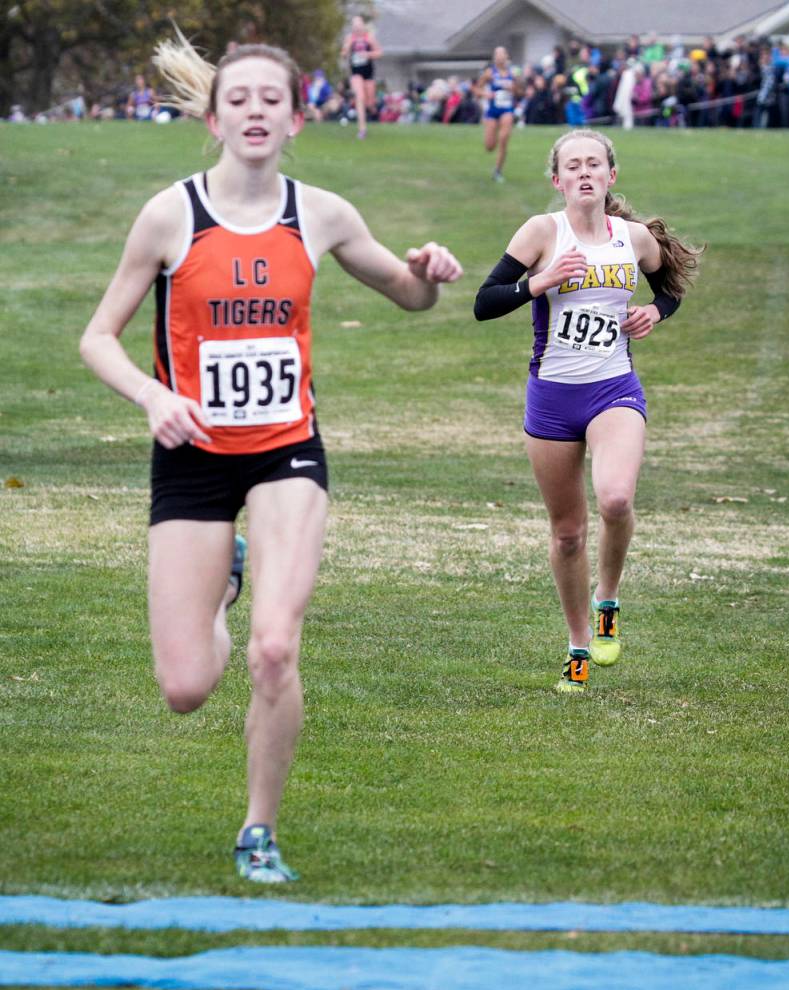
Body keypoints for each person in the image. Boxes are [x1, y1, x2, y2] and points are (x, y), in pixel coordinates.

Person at [79, 30, 462, 883]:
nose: (255, 112)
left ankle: (259, 830)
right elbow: (97, 337)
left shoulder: (320, 213)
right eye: (239, 99)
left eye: (271, 100)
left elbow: (408, 296)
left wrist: (426, 271)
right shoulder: (169, 215)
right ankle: (223, 579)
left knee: (275, 650)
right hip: (192, 453)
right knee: (184, 686)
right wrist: (152, 395)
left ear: (296, 117)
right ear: (213, 117)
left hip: (288, 451)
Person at [474, 129, 701, 692]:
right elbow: (484, 302)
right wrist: (540, 282)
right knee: (569, 533)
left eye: (593, 164)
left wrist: (657, 313)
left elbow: (669, 286)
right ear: (557, 180)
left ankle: (608, 600)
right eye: (572, 166)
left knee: (616, 497)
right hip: (551, 398)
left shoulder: (633, 239)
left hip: (612, 390)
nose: (583, 173)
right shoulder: (540, 232)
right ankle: (578, 645)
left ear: (610, 176)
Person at [476, 46, 519, 182]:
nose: (500, 57)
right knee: (489, 146)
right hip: (493, 111)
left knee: (504, 139)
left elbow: (520, 92)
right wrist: (485, 94)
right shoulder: (489, 73)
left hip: (507, 110)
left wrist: (513, 89)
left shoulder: (513, 74)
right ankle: (493, 134)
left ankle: (498, 171)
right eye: (497, 54)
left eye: (502, 54)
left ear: (507, 57)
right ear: (494, 57)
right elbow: (477, 89)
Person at [340, 15, 382, 139]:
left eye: (358, 25)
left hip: (368, 73)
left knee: (369, 103)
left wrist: (367, 54)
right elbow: (343, 54)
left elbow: (379, 53)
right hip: (356, 73)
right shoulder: (350, 38)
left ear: (363, 26)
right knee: (360, 97)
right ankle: (362, 129)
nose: (357, 28)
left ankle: (370, 108)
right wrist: (346, 50)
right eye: (354, 26)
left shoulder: (369, 38)